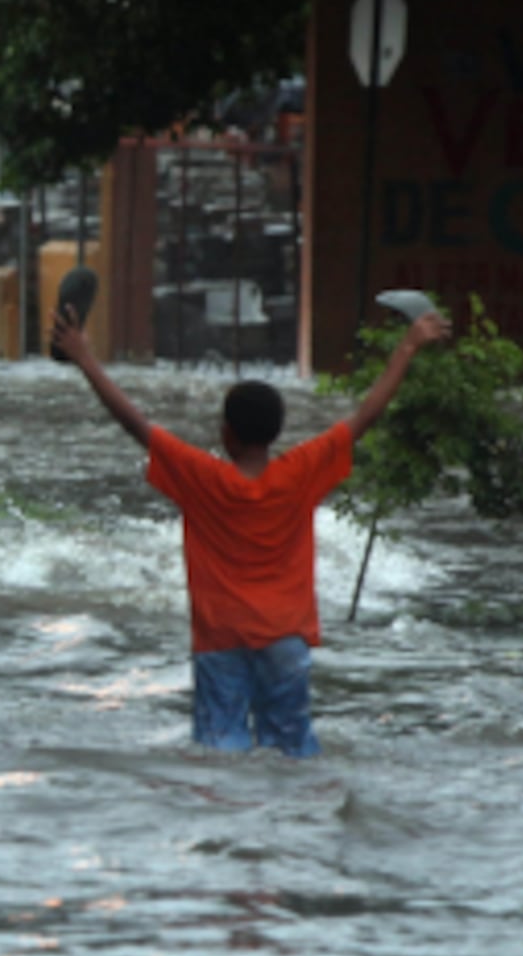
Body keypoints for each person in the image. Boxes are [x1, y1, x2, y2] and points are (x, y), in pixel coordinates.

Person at [52, 303, 451, 757]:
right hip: (285, 638)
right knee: (291, 754)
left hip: (221, 639)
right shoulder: (300, 472)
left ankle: (232, 826)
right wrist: (409, 345)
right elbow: (365, 418)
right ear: (275, 432)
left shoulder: (202, 476)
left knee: (220, 753)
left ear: (227, 433)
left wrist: (85, 358)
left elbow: (135, 424)